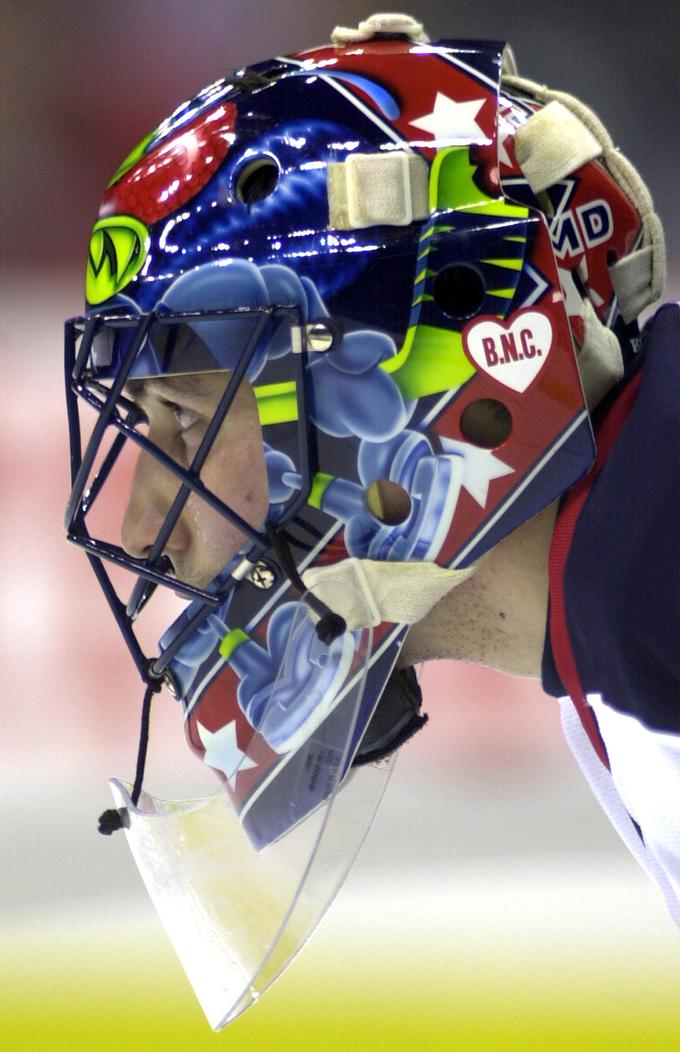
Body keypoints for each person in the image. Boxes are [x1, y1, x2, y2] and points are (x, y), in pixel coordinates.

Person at [63, 12, 678, 1030]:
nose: (141, 527)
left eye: (183, 418)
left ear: (401, 381)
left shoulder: (650, 597)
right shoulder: (617, 607)